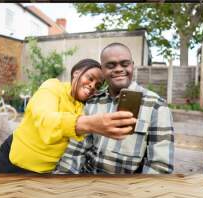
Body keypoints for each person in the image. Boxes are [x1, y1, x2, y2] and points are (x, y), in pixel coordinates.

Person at [0, 58, 137, 173]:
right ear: (76, 72)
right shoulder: (53, 87)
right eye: (90, 78)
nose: (93, 86)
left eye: (98, 85)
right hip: (12, 163)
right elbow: (46, 120)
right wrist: (88, 124)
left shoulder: (86, 107)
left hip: (47, 173)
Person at [54, 43, 175, 174]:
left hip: (126, 189)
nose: (118, 69)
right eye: (111, 65)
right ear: (102, 69)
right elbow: (76, 151)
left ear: (132, 65)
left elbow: (159, 167)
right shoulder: (92, 102)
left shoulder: (156, 106)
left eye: (124, 64)